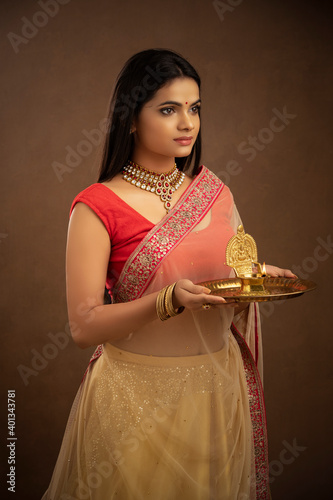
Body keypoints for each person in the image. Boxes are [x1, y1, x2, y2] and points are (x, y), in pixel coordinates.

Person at [42, 49, 295, 500]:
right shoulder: (97, 207)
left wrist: (255, 278)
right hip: (135, 402)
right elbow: (83, 327)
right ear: (131, 119)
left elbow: (223, 274)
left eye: (194, 108)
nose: (188, 123)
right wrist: (167, 300)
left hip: (217, 394)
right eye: (168, 109)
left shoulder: (214, 193)